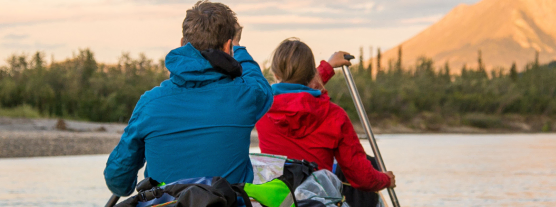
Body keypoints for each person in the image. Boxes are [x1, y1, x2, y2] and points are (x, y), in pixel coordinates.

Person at [103, 1, 273, 196]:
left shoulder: (150, 104)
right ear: (228, 46)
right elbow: (259, 84)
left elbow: (118, 181)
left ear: (183, 43)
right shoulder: (246, 97)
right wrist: (238, 47)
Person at [256, 38, 394, 193]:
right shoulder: (335, 115)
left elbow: (293, 92)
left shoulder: (260, 109)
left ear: (275, 74)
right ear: (312, 74)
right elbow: (361, 177)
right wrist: (386, 179)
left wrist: (327, 68)